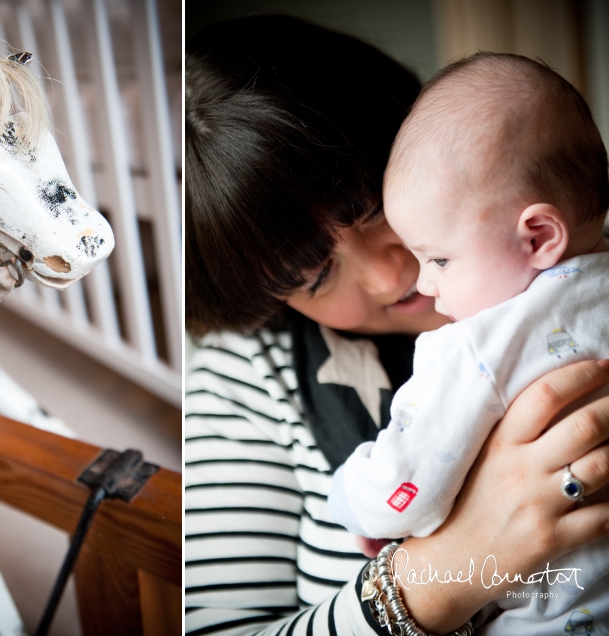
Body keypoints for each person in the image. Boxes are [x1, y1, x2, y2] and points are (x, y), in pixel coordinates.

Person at [185, 16, 609, 636]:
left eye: (378, 210)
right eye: (316, 276)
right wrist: (450, 571)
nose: (392, 276)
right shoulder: (246, 377)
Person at [327, 52, 609, 634]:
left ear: (537, 236)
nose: (421, 282)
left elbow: (409, 486)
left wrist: (352, 500)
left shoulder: (473, 346)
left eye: (439, 259)